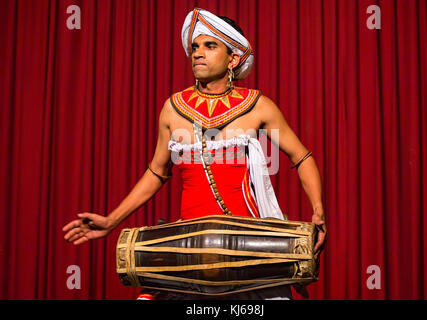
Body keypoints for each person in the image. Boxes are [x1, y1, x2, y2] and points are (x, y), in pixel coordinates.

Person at [63, 8, 327, 300]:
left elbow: (302, 157)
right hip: (188, 243)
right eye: (194, 47)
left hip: (251, 246)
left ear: (233, 58)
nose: (198, 53)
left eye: (210, 46)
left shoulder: (258, 106)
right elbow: (156, 172)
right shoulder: (173, 108)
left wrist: (318, 211)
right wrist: (111, 220)